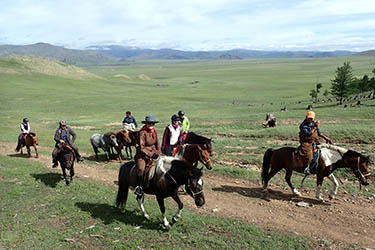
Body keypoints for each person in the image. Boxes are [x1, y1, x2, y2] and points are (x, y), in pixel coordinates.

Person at [134, 115, 161, 197]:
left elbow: (157, 143)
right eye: (149, 123)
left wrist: (159, 152)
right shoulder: (142, 133)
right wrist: (152, 155)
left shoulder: (153, 131)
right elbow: (142, 148)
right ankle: (139, 187)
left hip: (153, 152)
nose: (151, 125)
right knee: (141, 168)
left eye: (153, 124)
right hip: (142, 154)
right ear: (146, 124)